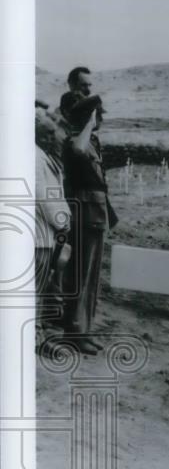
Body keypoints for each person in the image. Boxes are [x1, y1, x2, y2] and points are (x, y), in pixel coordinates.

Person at [61, 94, 117, 354]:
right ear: (89, 117)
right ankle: (74, 331)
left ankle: (85, 329)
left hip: (95, 215)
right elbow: (78, 150)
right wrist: (88, 123)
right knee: (80, 275)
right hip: (84, 214)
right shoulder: (76, 140)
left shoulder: (91, 141)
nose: (102, 119)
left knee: (91, 278)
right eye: (98, 114)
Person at [35, 107, 71, 347]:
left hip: (43, 235)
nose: (51, 138)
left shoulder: (41, 155)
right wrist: (61, 220)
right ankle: (34, 337)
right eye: (47, 133)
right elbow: (43, 195)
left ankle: (35, 335)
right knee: (33, 290)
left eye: (52, 133)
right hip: (37, 235)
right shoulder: (33, 156)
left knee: (37, 290)